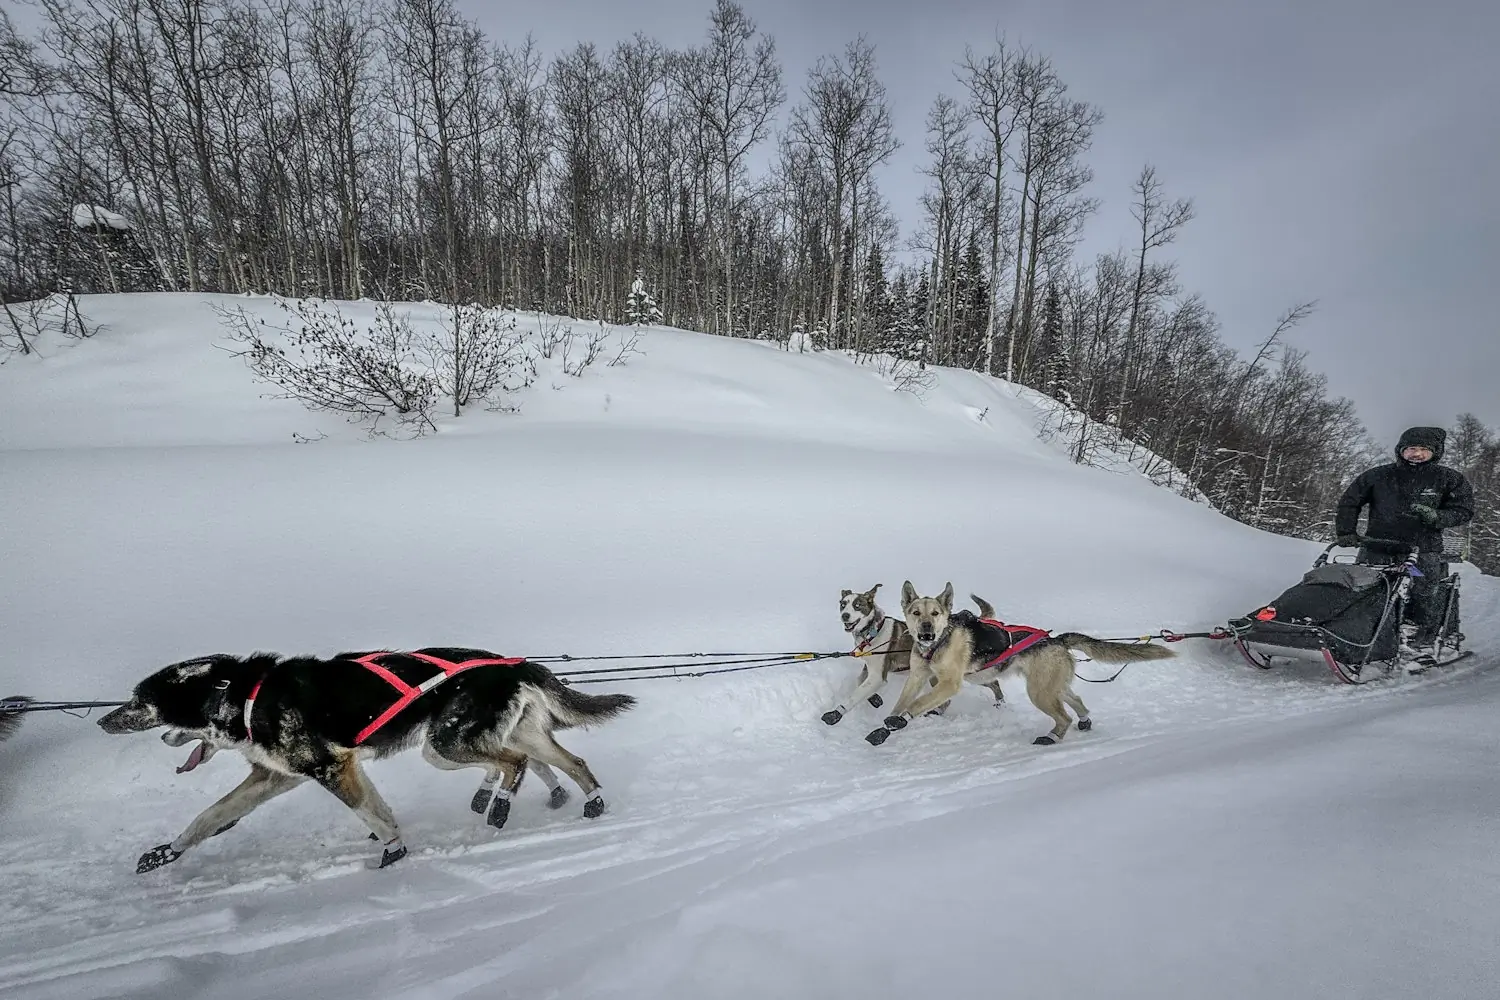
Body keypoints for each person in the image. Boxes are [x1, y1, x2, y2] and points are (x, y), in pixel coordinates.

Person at [1333, 426, 1475, 649]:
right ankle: (1358, 630)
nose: (1416, 453)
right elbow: (1349, 502)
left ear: (1434, 452)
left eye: (1423, 449)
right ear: (1401, 450)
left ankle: (1421, 636)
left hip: (1422, 549)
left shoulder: (1449, 479)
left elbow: (1464, 510)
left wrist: (1437, 516)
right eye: (1410, 448)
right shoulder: (1378, 475)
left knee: (1424, 589)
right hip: (1377, 546)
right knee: (1364, 587)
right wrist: (1346, 532)